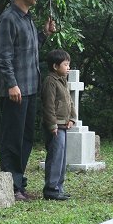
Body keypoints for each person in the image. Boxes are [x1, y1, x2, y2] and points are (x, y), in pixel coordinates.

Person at [0, 0, 56, 200]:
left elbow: (30, 49)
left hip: (30, 87)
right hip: (16, 91)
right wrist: (11, 84)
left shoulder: (27, 18)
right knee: (12, 138)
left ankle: (18, 183)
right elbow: (3, 56)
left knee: (26, 137)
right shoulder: (8, 18)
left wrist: (44, 34)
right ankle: (11, 186)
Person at [41, 48, 76, 201]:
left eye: (69, 64)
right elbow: (48, 105)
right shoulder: (50, 81)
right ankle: (51, 189)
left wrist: (73, 118)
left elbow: (70, 101)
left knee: (61, 158)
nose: (68, 67)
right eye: (66, 64)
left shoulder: (63, 81)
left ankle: (59, 187)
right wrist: (52, 125)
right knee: (55, 157)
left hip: (64, 125)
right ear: (55, 66)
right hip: (55, 127)